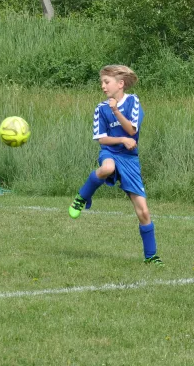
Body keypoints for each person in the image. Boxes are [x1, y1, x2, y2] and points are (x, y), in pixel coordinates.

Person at [68, 65, 163, 265]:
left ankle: (151, 256)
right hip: (110, 152)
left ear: (120, 84)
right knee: (107, 168)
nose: (103, 86)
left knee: (144, 211)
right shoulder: (100, 108)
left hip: (129, 159)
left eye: (106, 82)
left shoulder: (133, 102)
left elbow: (131, 129)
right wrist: (120, 140)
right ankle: (82, 197)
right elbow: (101, 139)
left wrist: (116, 110)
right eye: (102, 82)